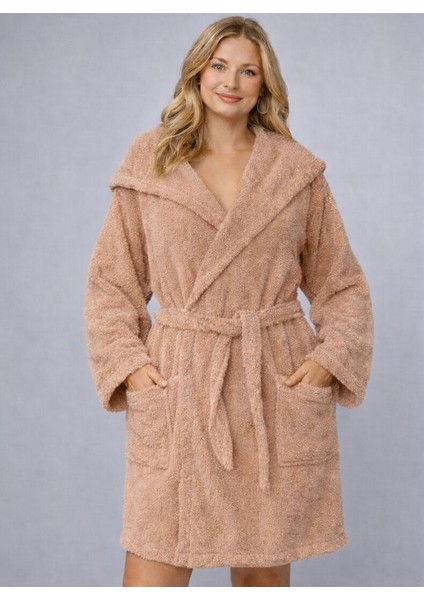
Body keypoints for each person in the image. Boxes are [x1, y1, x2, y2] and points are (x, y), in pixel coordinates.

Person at [84, 16, 374, 587]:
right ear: (197, 72)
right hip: (183, 381)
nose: (231, 82)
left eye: (248, 71)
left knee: (261, 581)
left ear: (265, 84)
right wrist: (133, 369)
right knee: (152, 574)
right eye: (219, 66)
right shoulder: (151, 162)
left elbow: (342, 284)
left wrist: (325, 363)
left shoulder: (294, 171)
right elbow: (111, 284)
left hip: (269, 381)